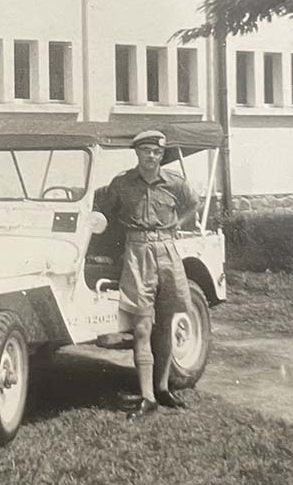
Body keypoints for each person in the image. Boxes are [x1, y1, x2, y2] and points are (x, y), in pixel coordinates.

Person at [99, 130, 201, 420]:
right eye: (146, 151)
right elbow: (106, 213)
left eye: (156, 152)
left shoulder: (174, 184)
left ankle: (163, 389)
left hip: (167, 251)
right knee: (142, 326)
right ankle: (147, 397)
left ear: (161, 154)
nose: (151, 157)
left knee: (167, 323)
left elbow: (193, 203)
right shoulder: (121, 184)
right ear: (137, 154)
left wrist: (176, 225)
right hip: (137, 252)